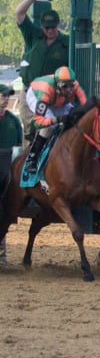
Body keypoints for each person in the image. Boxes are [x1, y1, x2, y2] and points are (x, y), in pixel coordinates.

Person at [14, 0, 69, 141]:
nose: (50, 31)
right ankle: (28, 161)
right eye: (47, 27)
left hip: (50, 97)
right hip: (29, 92)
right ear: (42, 26)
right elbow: (19, 13)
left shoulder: (66, 43)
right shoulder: (33, 35)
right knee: (30, 132)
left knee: (47, 129)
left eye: (53, 27)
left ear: (58, 25)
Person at [22, 66, 88, 177]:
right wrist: (55, 119)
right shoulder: (45, 91)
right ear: (57, 84)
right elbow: (37, 121)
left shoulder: (75, 86)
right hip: (36, 95)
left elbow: (85, 105)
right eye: (64, 86)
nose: (69, 89)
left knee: (74, 119)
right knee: (50, 127)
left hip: (58, 98)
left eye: (71, 85)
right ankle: (32, 159)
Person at [0, 84, 18, 261]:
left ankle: (2, 255)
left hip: (8, 169)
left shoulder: (13, 120)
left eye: (7, 96)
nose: (6, 99)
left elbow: (19, 148)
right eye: (3, 95)